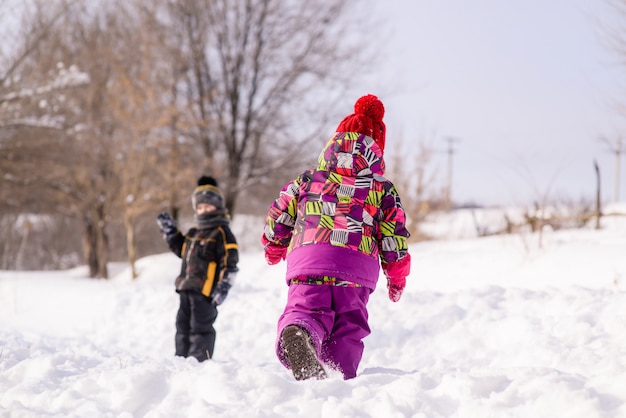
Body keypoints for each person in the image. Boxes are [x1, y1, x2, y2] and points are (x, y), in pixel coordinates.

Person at [262, 94, 411, 380]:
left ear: (334, 142)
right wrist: (397, 276)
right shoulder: (381, 189)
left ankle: (300, 330)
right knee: (348, 328)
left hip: (309, 261)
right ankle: (337, 383)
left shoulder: (308, 180)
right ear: (377, 150)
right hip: (354, 272)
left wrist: (274, 246)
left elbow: (280, 213)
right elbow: (394, 238)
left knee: (305, 309)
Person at [157, 175, 239, 362]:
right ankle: (181, 360)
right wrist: (170, 233)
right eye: (200, 207)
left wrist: (223, 287)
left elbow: (230, 263)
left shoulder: (222, 233)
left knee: (200, 327)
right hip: (186, 289)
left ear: (218, 206)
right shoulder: (194, 232)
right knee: (182, 326)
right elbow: (182, 250)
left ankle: (199, 363)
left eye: (208, 206)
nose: (204, 210)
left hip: (206, 293)